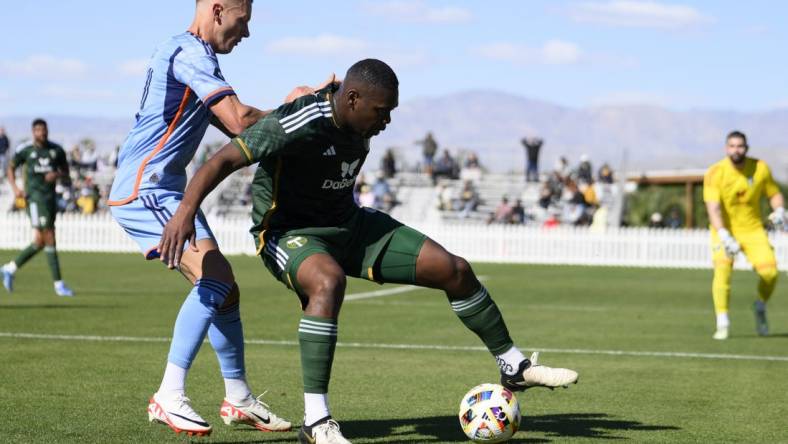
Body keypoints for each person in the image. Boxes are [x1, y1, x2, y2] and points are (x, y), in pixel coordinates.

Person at [158, 59, 578, 444]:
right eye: (382, 111)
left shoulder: (359, 121)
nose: (387, 120)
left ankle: (513, 365)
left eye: (391, 111)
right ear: (353, 99)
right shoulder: (301, 120)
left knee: (454, 269)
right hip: (287, 234)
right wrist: (184, 213)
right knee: (327, 282)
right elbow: (222, 161)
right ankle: (317, 421)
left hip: (351, 226)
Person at [106, 0, 325, 435]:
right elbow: (243, 122)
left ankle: (239, 399)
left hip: (165, 189)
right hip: (145, 188)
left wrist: (303, 115)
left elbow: (244, 131)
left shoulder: (197, 60)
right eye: (243, 22)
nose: (245, 34)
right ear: (220, 10)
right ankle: (169, 395)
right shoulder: (189, 54)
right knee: (217, 278)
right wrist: (306, 111)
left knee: (225, 291)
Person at [703, 130, 785, 340]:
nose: (736, 150)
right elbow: (713, 209)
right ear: (726, 148)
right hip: (724, 231)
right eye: (732, 146)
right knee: (722, 271)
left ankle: (759, 306)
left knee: (770, 274)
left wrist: (780, 210)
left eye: (740, 146)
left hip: (753, 230)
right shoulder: (715, 172)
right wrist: (723, 235)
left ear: (746, 148)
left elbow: (774, 193)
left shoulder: (760, 168)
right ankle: (723, 322)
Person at [2, 119, 75, 297]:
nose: (41, 133)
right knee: (49, 236)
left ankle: (9, 269)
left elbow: (67, 174)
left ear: (47, 131)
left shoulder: (56, 150)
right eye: (38, 130)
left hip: (50, 199)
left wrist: (56, 174)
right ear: (33, 132)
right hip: (34, 199)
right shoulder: (26, 150)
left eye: (44, 130)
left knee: (40, 241)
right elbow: (10, 168)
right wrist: (16, 189)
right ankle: (59, 285)